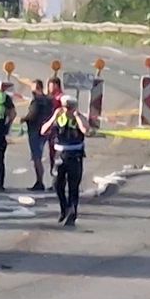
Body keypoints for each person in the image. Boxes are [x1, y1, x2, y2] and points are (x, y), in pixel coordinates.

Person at [42, 92, 90, 225]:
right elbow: (43, 131)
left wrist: (78, 116)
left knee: (73, 186)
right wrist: (53, 118)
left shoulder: (79, 117)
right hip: (60, 156)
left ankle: (72, 213)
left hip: (75, 156)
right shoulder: (59, 117)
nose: (67, 110)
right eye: (65, 107)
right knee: (57, 184)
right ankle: (64, 208)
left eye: (70, 107)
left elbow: (86, 130)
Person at [23, 78, 55, 192]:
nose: (32, 91)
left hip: (35, 131)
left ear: (38, 88)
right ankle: (45, 181)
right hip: (45, 130)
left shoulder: (37, 101)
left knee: (37, 157)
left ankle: (39, 182)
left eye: (33, 89)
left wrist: (24, 119)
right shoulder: (48, 100)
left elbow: (32, 115)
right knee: (41, 156)